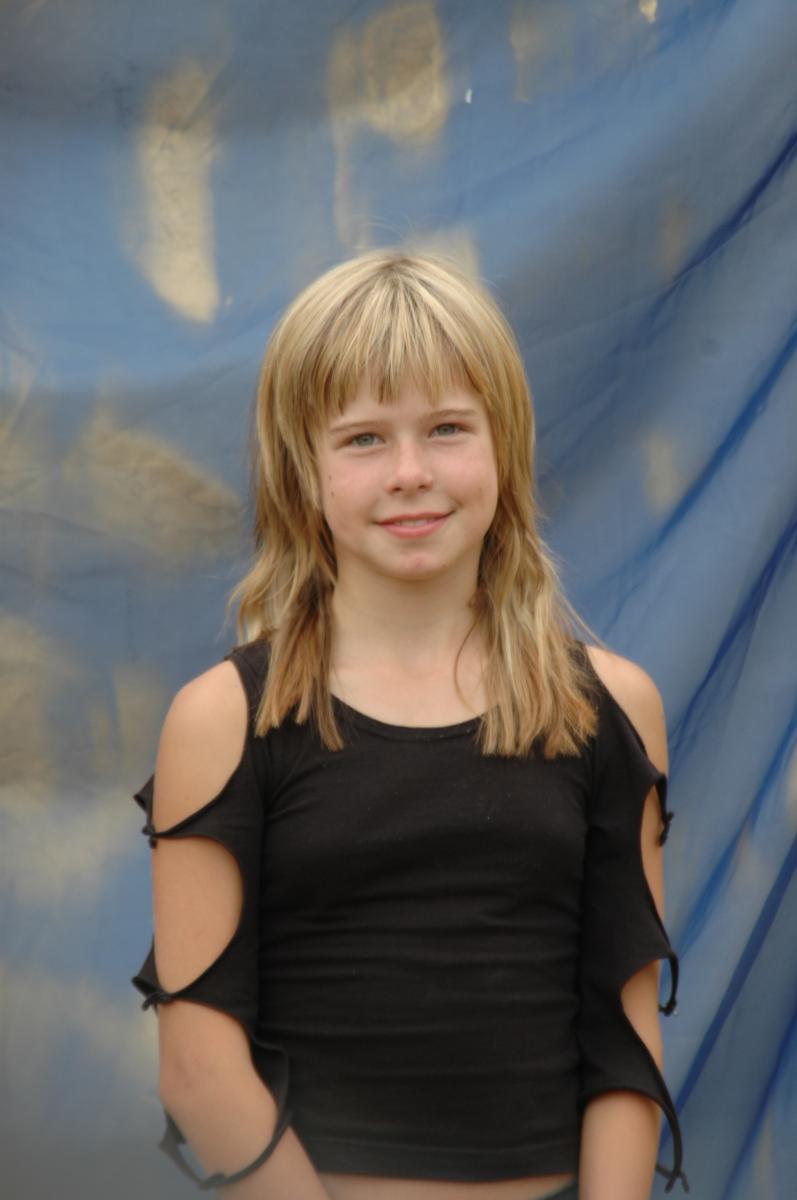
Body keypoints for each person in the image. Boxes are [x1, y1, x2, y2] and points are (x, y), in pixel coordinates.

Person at [131, 250, 687, 1200]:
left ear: (504, 445)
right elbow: (198, 1066)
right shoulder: (224, 719)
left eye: (446, 429)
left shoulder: (608, 712)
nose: (411, 473)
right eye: (362, 439)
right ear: (301, 470)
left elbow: (624, 1042)